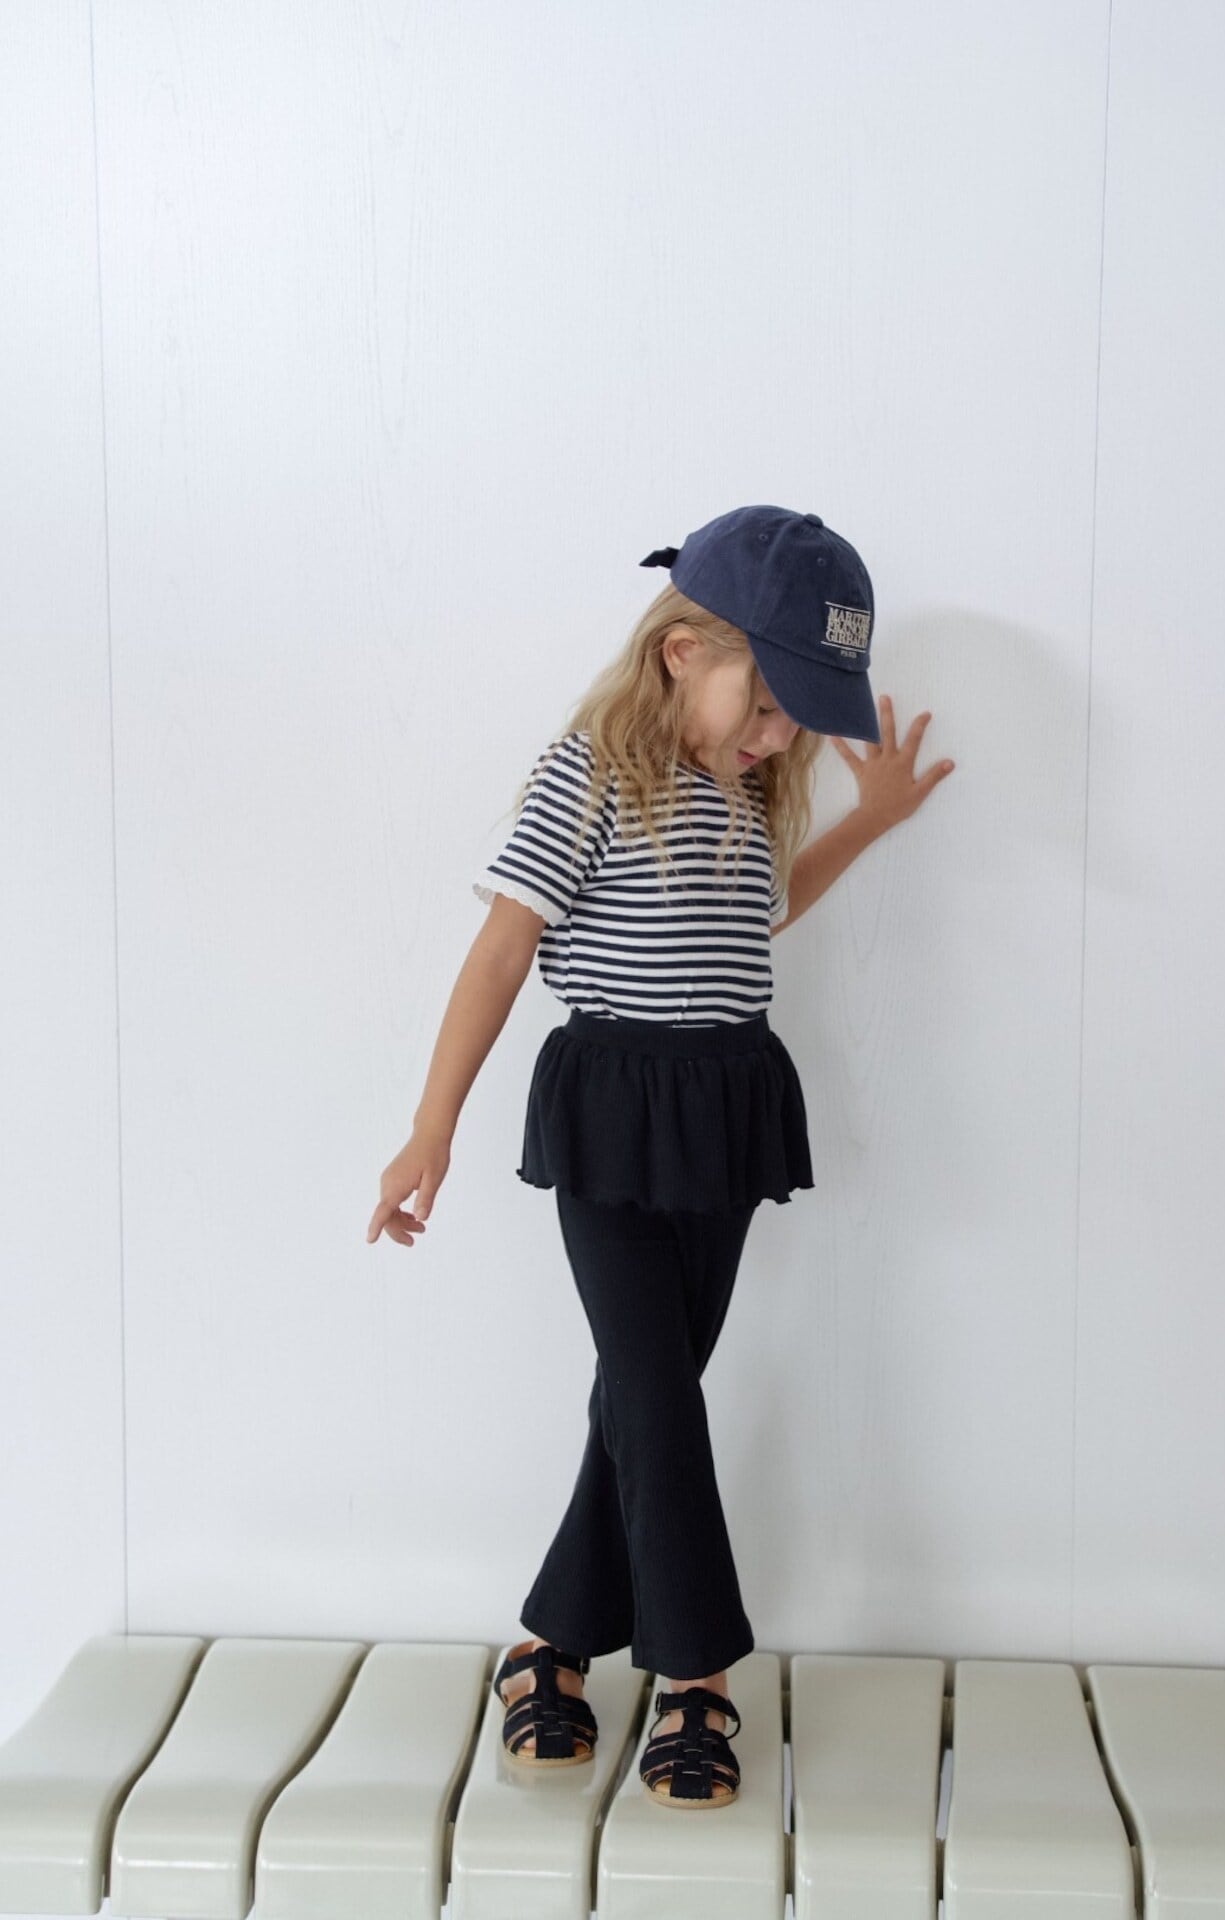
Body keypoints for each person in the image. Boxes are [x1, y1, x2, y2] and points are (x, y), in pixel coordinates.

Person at [367, 504, 955, 1808]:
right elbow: (503, 950)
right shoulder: (586, 772)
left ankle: (550, 1644)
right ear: (683, 651)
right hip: (613, 1110)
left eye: (800, 714)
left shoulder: (749, 787)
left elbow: (760, 907)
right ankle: (695, 1670)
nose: (781, 736)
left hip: (726, 1109)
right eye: (768, 702)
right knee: (656, 1393)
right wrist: (430, 1127)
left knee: (644, 1394)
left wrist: (870, 820)